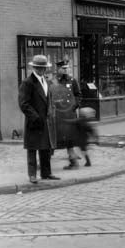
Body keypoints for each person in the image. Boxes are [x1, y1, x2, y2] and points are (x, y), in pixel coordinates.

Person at [18, 54, 60, 183]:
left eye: (43, 68)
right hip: (34, 121)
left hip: (46, 121)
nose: (41, 70)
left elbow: (48, 100)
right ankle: (32, 175)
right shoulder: (28, 83)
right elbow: (23, 103)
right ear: (34, 68)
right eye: (38, 68)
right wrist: (35, 117)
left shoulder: (46, 82)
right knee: (32, 148)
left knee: (45, 148)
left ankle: (46, 173)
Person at [50, 59, 82, 169]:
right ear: (57, 69)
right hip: (57, 115)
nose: (65, 70)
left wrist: (74, 106)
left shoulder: (72, 81)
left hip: (69, 115)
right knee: (53, 138)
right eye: (63, 68)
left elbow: (78, 95)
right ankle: (45, 162)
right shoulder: (52, 81)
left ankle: (73, 162)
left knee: (69, 139)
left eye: (66, 68)